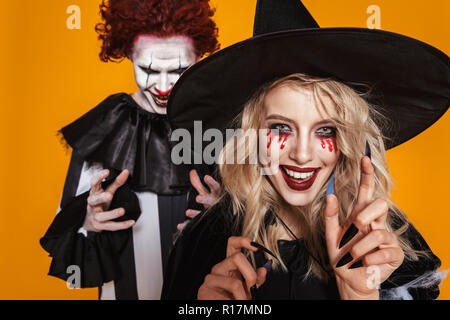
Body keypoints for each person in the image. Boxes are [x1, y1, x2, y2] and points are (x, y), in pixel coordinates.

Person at [161, 0, 449, 299]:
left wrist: (361, 297)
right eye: (280, 128)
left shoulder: (384, 243)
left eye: (326, 130)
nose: (302, 155)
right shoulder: (206, 239)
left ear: (348, 139)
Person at [40, 0, 220, 300]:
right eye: (149, 69)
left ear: (198, 57)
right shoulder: (105, 125)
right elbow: (66, 240)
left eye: (179, 69)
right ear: (128, 54)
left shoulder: (219, 123)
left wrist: (226, 216)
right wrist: (88, 221)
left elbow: (261, 229)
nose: (163, 87)